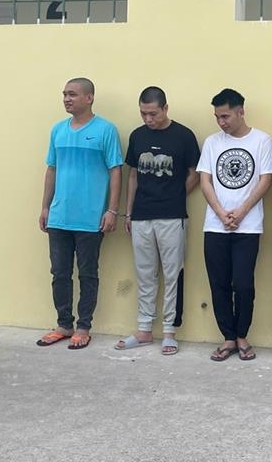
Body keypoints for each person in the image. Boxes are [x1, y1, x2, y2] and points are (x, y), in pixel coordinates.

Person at [36, 78, 123, 350]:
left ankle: (84, 327)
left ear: (89, 98)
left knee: (88, 274)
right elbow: (52, 169)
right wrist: (45, 206)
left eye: (72, 94)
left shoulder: (106, 130)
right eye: (64, 94)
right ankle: (64, 324)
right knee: (59, 273)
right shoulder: (57, 130)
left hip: (90, 217)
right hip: (59, 217)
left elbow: (116, 171)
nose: (66, 99)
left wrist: (112, 210)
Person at [115, 86, 200, 355]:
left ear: (165, 108)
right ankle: (143, 329)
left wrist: (175, 195)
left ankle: (169, 331)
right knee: (145, 273)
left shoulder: (184, 135)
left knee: (173, 273)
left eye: (153, 113)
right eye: (143, 113)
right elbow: (133, 175)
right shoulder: (137, 136)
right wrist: (129, 212)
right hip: (141, 215)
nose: (148, 119)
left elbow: (195, 173)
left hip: (172, 216)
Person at [197, 88, 272, 362]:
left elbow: (265, 180)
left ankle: (242, 335)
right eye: (217, 117)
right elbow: (205, 180)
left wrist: (241, 213)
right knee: (218, 283)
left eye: (226, 116)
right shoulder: (212, 142)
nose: (221, 122)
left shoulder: (261, 140)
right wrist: (221, 213)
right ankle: (228, 337)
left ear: (241, 112)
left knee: (243, 285)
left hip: (248, 227)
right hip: (215, 226)